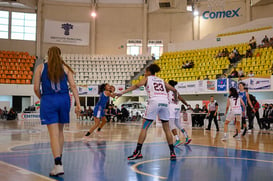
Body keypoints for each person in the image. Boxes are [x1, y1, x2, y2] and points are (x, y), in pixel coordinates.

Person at [33, 46, 81, 176]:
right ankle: (59, 160)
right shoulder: (65, 68)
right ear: (60, 54)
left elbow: (36, 88)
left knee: (53, 134)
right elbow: (73, 86)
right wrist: (78, 103)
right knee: (60, 132)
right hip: (64, 99)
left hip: (49, 99)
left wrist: (42, 98)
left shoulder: (40, 67)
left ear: (48, 54)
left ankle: (58, 164)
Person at [116, 64, 177, 160]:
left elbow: (137, 85)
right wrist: (175, 100)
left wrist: (122, 92)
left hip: (154, 102)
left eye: (145, 71)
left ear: (149, 72)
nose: (144, 73)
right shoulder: (161, 80)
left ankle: (138, 152)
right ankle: (172, 153)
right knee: (167, 129)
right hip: (165, 102)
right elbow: (174, 90)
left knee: (144, 128)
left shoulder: (148, 78)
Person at [167, 80, 191, 146]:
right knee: (178, 124)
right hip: (177, 107)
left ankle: (177, 139)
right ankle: (187, 137)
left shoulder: (168, 90)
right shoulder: (176, 91)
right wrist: (187, 105)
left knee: (171, 125)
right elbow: (182, 99)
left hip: (171, 107)